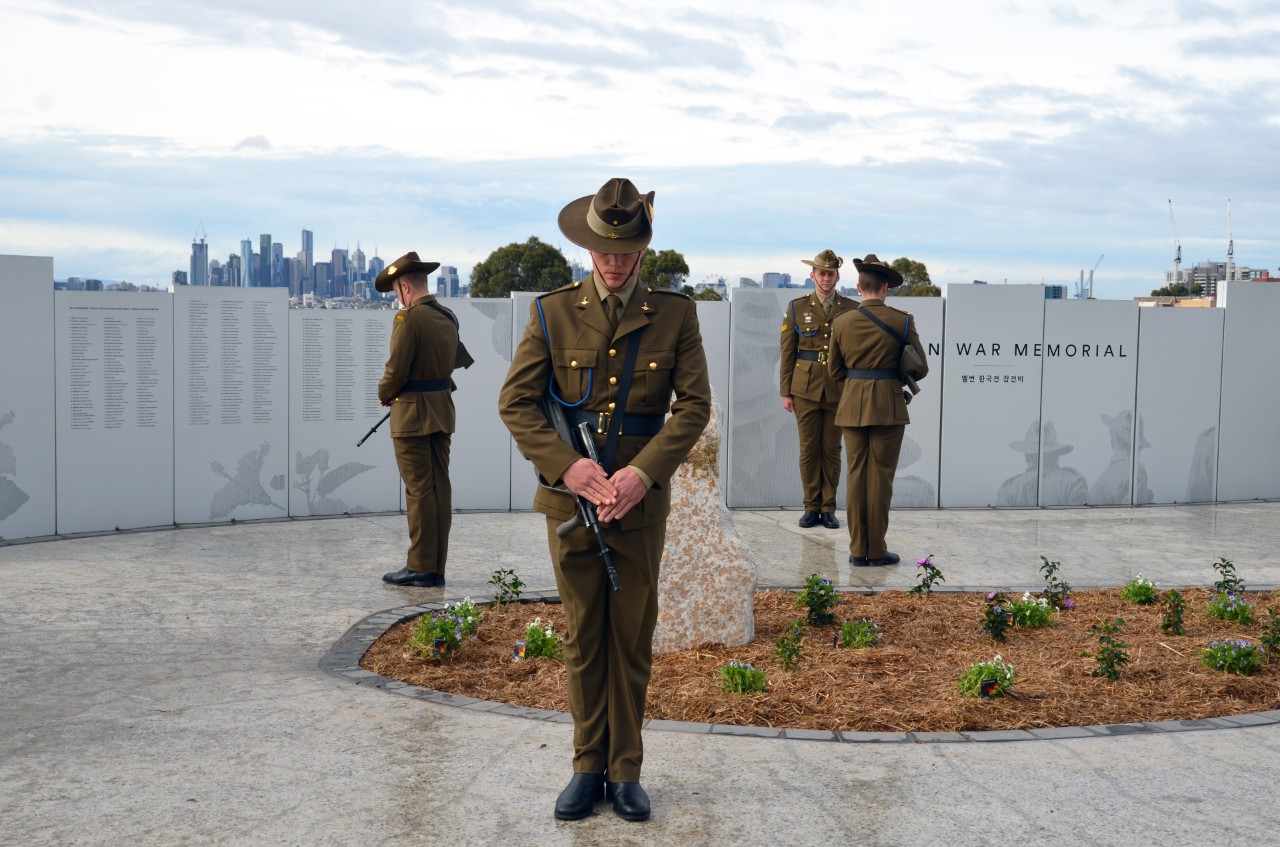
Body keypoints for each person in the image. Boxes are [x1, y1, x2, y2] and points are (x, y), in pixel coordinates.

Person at [498, 178, 711, 823]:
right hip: (573, 508)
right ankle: (587, 765)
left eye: (625, 252)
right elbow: (517, 402)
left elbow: (694, 406)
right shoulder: (552, 312)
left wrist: (642, 475)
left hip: (639, 506)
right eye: (603, 251)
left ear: (643, 249)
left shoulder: (675, 314)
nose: (613, 264)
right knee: (584, 635)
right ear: (587, 246)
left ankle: (627, 771)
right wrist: (568, 469)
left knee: (631, 637)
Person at [827, 254, 928, 566]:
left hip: (852, 405)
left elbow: (834, 370)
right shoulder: (903, 320)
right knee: (881, 478)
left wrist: (858, 384)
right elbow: (921, 368)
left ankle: (858, 551)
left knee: (856, 476)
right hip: (888, 405)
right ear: (885, 288)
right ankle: (876, 548)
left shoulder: (841, 322)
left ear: (859, 287)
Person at [375, 252, 459, 588]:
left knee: (419, 491)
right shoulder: (447, 316)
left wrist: (384, 391)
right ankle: (435, 565)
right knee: (440, 489)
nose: (398, 297)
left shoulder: (407, 319)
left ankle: (421, 566)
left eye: (397, 290)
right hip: (442, 409)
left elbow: (396, 369)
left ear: (404, 287)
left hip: (411, 415)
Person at [780, 249, 859, 529]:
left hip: (838, 387)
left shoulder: (852, 309)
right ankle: (810, 506)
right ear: (812, 275)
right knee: (808, 449)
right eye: (821, 273)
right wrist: (785, 391)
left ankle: (828, 508)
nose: (826, 278)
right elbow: (787, 352)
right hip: (805, 388)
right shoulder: (796, 307)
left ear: (838, 276)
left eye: (831, 273)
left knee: (832, 450)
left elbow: (855, 353)